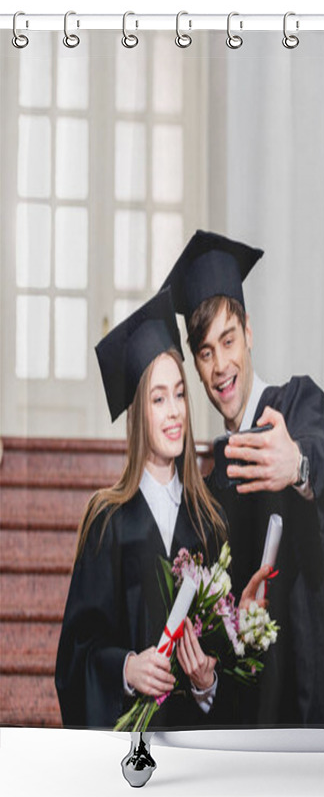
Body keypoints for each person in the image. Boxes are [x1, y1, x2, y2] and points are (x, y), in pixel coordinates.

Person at [160, 231, 324, 727]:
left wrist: (297, 467)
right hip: (250, 717)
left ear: (249, 332)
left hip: (310, 694)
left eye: (228, 341)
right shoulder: (207, 489)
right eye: (205, 353)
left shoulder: (294, 405)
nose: (221, 365)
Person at [55, 288, 261, 729]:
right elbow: (75, 656)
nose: (174, 413)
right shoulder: (107, 520)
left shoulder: (211, 521)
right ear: (137, 415)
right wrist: (127, 670)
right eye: (158, 398)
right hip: (131, 756)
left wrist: (208, 684)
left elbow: (236, 667)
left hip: (195, 756)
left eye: (181, 394)